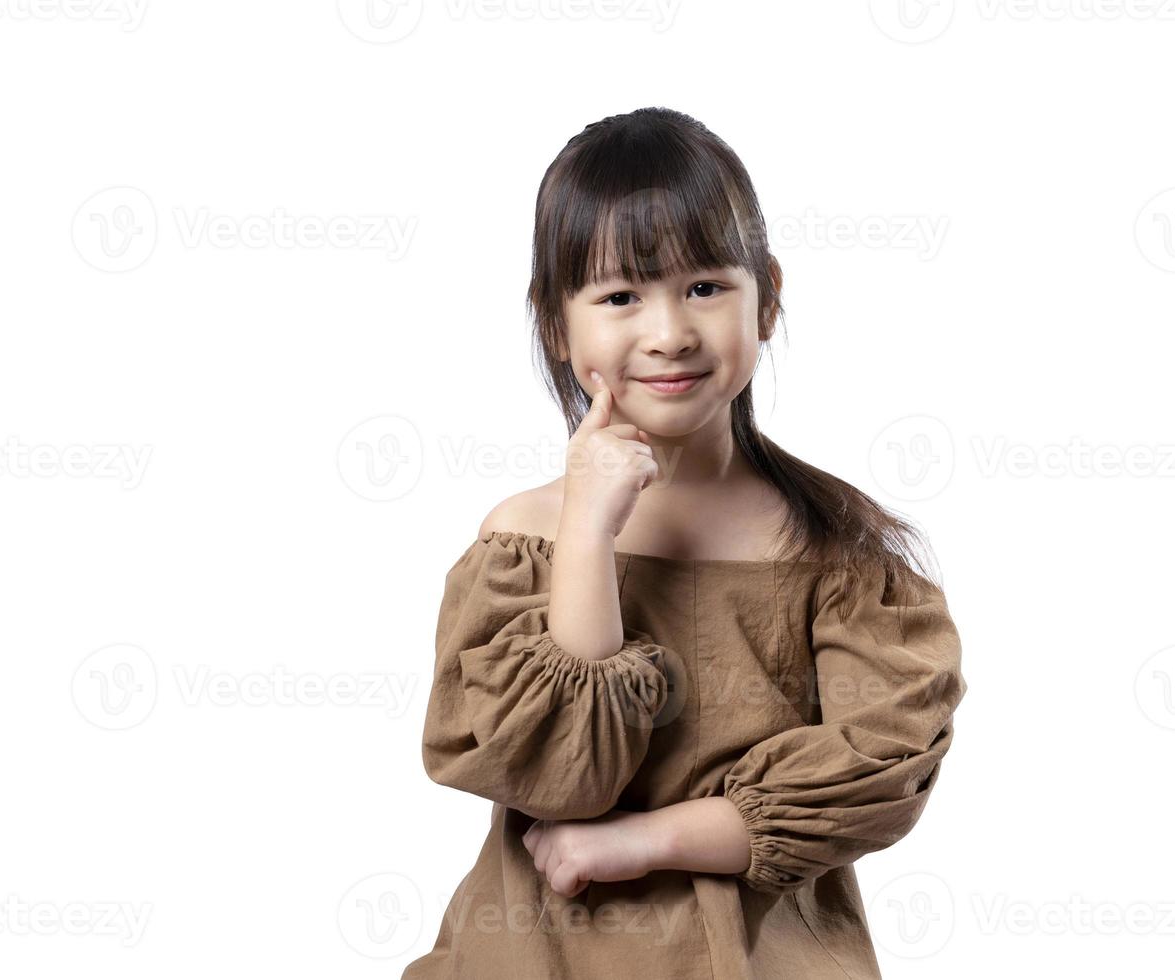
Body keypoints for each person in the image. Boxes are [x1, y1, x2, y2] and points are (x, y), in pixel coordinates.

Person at [401, 106, 967, 979]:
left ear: (767, 296)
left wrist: (646, 841)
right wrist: (588, 529)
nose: (667, 332)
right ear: (558, 325)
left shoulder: (840, 556)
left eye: (704, 286)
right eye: (620, 296)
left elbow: (877, 773)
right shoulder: (524, 541)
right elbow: (557, 779)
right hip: (531, 958)